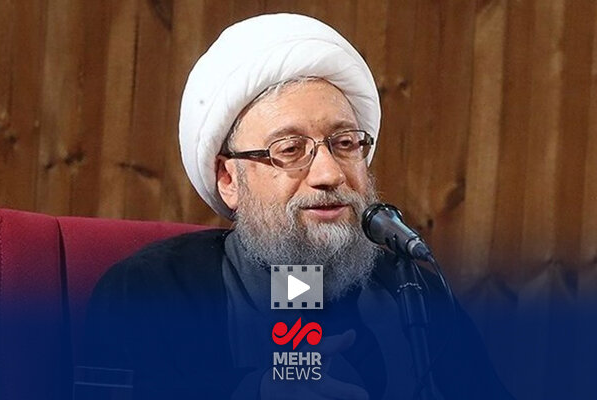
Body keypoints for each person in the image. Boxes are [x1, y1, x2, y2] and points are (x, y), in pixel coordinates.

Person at [84, 13, 514, 400]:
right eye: (290, 149)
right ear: (228, 179)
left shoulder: (412, 292)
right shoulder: (150, 292)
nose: (329, 173)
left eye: (345, 144)